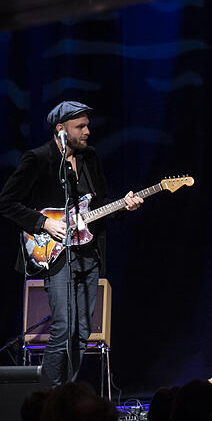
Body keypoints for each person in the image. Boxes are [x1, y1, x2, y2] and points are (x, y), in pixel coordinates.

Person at [0, 101, 143, 385]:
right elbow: (6, 202)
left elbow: (98, 205)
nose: (88, 131)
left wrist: (123, 206)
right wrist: (44, 223)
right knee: (64, 327)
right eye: (81, 126)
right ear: (61, 129)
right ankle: (45, 398)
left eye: (87, 125)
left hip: (88, 253)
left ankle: (64, 393)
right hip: (55, 253)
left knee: (82, 331)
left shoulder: (89, 159)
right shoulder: (38, 158)